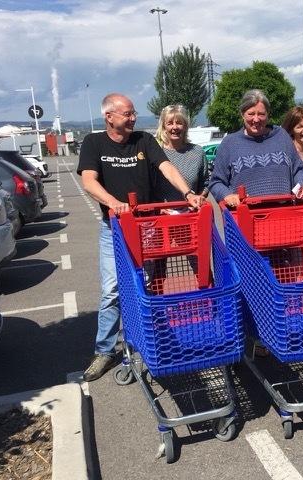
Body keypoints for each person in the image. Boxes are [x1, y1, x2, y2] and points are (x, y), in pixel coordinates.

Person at [77, 93, 204, 382]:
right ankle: (105, 350)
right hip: (114, 229)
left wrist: (187, 193)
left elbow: (166, 167)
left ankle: (148, 338)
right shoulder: (94, 143)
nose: (133, 118)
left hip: (147, 229)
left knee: (146, 286)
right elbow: (89, 181)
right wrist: (114, 203)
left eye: (134, 113)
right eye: (128, 114)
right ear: (109, 116)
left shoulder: (144, 141)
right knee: (112, 290)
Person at [208, 89, 303, 206]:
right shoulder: (229, 143)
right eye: (251, 114)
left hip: (284, 213)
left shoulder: (282, 136)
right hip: (245, 214)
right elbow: (216, 182)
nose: (256, 119)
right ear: (242, 114)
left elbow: (298, 169)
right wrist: (227, 195)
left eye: (261, 114)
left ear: (268, 114)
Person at [153, 104, 210, 201]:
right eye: (170, 123)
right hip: (163, 209)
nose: (175, 127)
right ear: (163, 127)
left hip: (191, 209)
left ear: (185, 126)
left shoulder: (198, 152)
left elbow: (205, 184)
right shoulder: (156, 152)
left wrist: (199, 199)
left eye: (179, 123)